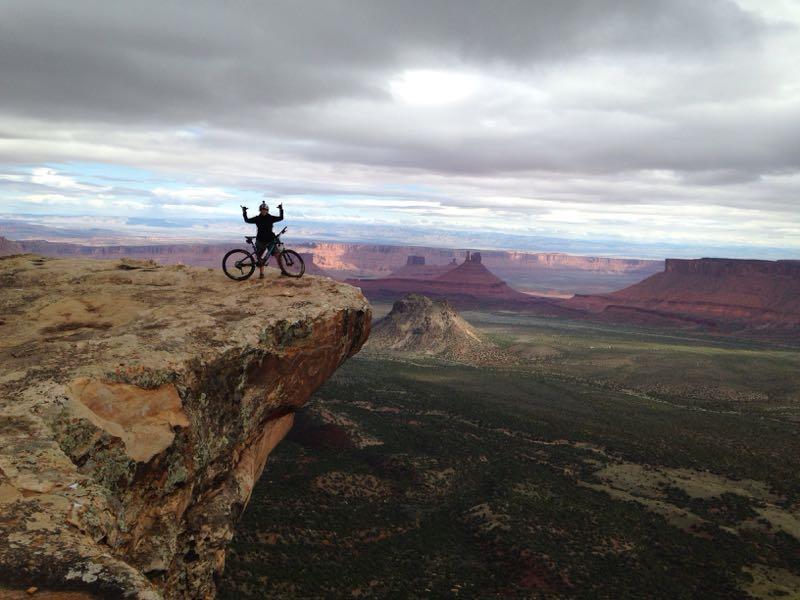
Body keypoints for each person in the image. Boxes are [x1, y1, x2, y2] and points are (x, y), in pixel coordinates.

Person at [242, 200, 284, 279]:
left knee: (278, 255)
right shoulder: (257, 218)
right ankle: (261, 274)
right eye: (262, 210)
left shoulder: (271, 218)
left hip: (270, 240)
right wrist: (244, 212)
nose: (263, 211)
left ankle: (283, 271)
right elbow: (247, 220)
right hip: (260, 241)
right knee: (260, 258)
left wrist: (281, 209)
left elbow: (281, 217)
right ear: (260, 210)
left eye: (265, 210)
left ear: (267, 210)